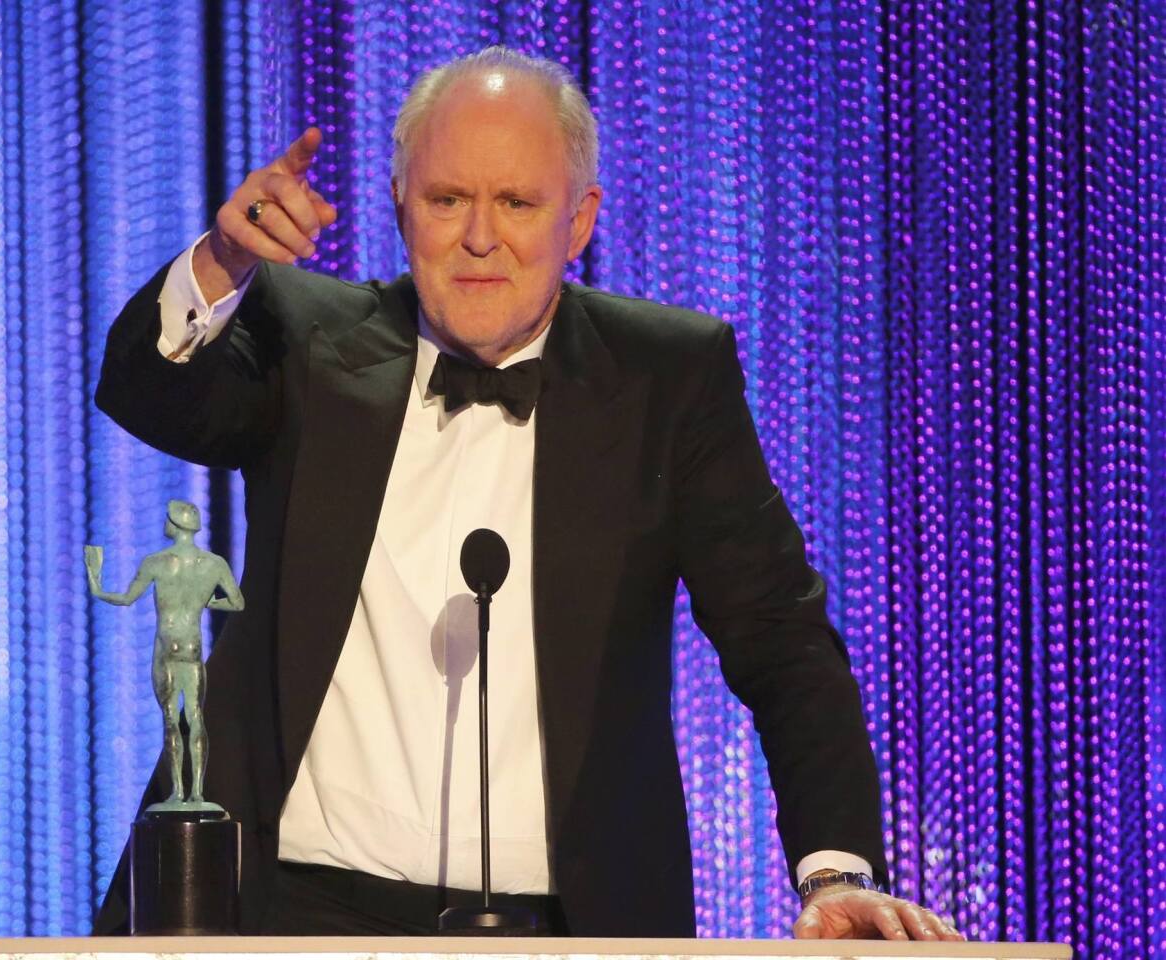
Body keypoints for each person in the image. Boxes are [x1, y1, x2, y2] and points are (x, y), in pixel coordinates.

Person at [92, 47, 960, 940]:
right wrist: (222, 262)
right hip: (289, 915)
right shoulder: (310, 341)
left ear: (578, 221)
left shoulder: (667, 376)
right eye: (446, 199)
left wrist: (837, 870)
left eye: (516, 203)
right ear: (398, 201)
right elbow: (147, 390)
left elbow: (780, 636)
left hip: (570, 929)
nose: (479, 237)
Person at [86, 500, 245, 808]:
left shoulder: (157, 562)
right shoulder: (213, 564)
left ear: (176, 524)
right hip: (192, 645)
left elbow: (125, 598)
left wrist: (96, 583)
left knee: (172, 720)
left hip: (167, 647)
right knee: (195, 718)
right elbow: (237, 603)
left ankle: (178, 792)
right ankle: (196, 792)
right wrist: (207, 602)